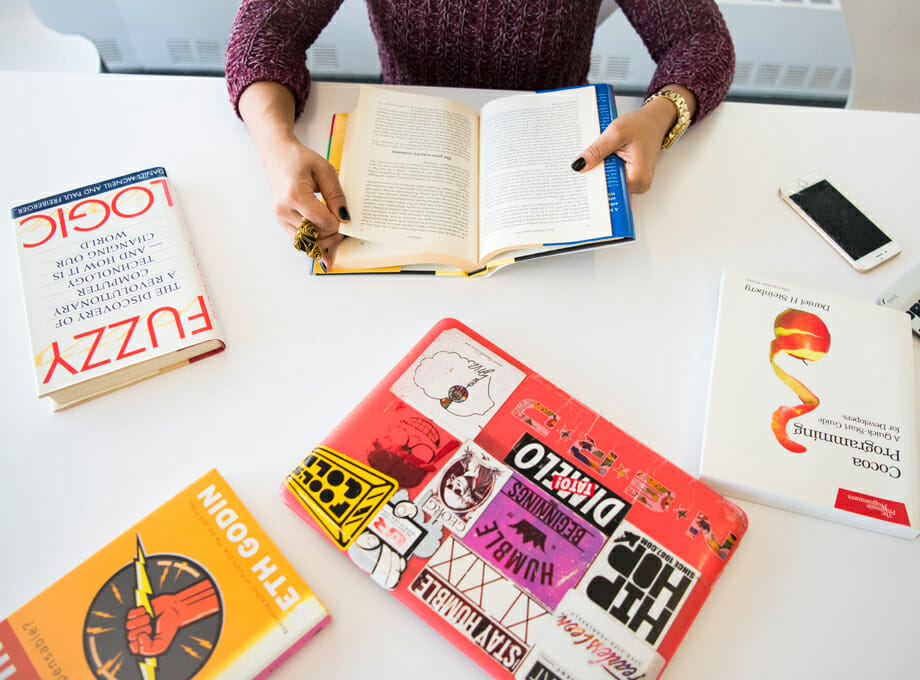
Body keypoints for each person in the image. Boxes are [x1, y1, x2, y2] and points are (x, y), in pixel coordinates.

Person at [225, 0, 734, 265]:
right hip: (404, 154)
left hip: (556, 167)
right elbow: (263, 32)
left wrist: (662, 112)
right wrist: (277, 147)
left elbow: (699, 37)